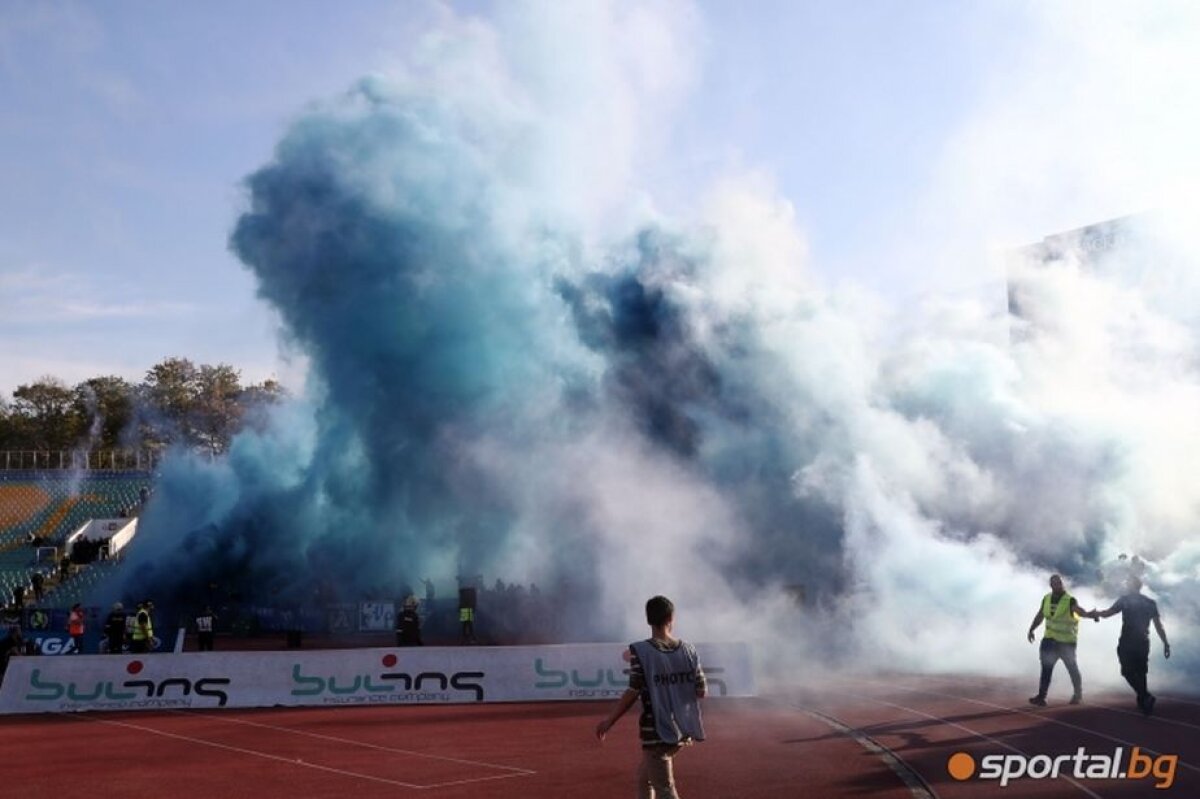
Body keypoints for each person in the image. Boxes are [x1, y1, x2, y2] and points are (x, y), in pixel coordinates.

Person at [595, 596, 707, 799]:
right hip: (681, 728)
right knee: (644, 778)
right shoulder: (689, 650)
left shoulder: (641, 651)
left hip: (656, 731)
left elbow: (633, 691)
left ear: (648, 620)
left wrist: (609, 721)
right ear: (671, 618)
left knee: (664, 789)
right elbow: (701, 691)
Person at [1085, 576, 1171, 715]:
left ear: (1131, 586)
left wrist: (1096, 614)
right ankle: (1143, 701)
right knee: (1141, 671)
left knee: (1127, 671)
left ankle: (1145, 696)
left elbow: (1108, 613)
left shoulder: (1125, 600)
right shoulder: (1150, 602)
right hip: (1143, 640)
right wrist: (1165, 642)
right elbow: (1158, 625)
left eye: (1127, 584)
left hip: (1128, 640)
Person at [1028, 574, 1095, 706]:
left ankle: (1078, 695)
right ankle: (1042, 697)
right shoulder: (1046, 599)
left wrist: (1090, 615)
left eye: (1059, 583)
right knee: (1046, 669)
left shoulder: (1069, 600)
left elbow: (1079, 611)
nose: (1058, 585)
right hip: (1049, 641)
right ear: (1051, 585)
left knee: (1072, 668)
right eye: (1055, 583)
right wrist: (1031, 629)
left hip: (1066, 643)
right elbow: (1040, 615)